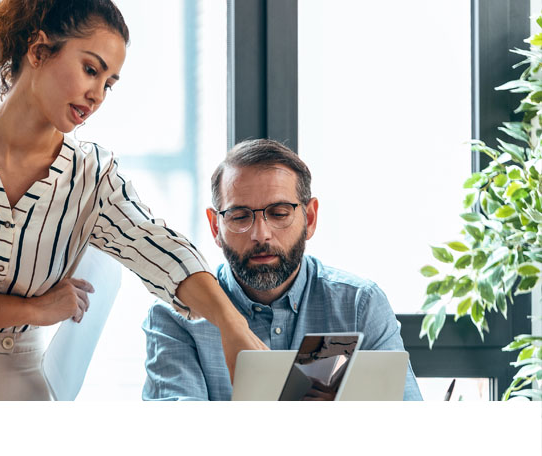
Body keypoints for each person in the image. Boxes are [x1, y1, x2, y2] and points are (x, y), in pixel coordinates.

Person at [0, 0, 265, 401]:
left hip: (17, 390)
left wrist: (232, 326)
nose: (98, 95)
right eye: (90, 70)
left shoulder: (93, 177)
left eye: (108, 84)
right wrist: (34, 310)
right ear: (38, 51)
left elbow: (161, 248)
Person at [142, 139, 423, 401]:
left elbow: (408, 425)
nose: (261, 235)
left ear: (309, 218)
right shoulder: (174, 316)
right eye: (240, 217)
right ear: (216, 227)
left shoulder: (359, 304)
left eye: (279, 213)